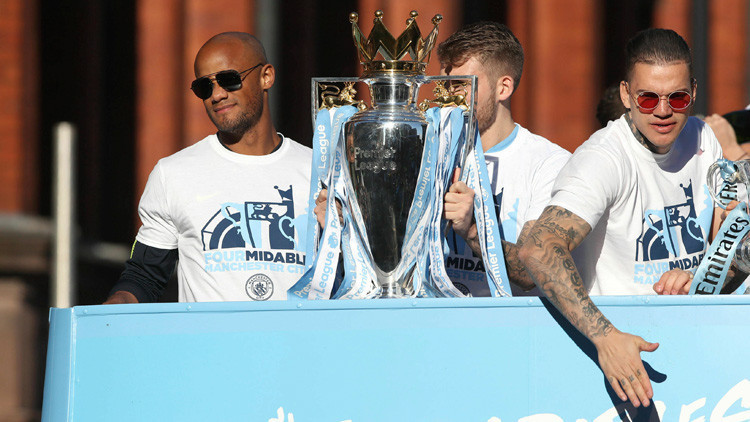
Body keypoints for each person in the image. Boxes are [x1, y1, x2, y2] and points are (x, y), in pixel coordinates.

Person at [518, 29, 737, 407]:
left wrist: (702, 277)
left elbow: (732, 239)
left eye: (678, 97)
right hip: (614, 363)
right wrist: (605, 338)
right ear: (625, 95)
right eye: (647, 98)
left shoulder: (703, 137)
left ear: (693, 92)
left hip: (692, 351)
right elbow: (537, 249)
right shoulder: (603, 158)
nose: (663, 111)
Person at [105, 32, 312, 303]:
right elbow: (144, 276)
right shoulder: (174, 174)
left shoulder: (320, 171)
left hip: (302, 332)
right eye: (204, 87)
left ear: (266, 77)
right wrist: (113, 308)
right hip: (208, 333)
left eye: (229, 79)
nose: (217, 95)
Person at [439, 22, 571, 296]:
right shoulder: (431, 154)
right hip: (435, 318)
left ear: (503, 88)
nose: (448, 99)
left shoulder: (550, 163)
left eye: (460, 86)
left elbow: (532, 272)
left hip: (510, 320)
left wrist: (472, 230)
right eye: (443, 86)